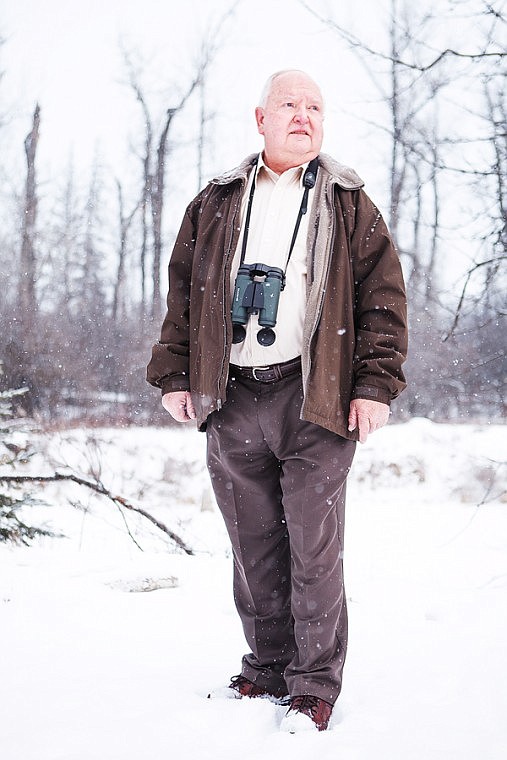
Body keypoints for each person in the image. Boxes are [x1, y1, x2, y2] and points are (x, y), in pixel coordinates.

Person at [147, 70, 408, 733]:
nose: (303, 115)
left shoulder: (349, 203)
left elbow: (382, 304)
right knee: (254, 547)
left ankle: (313, 685)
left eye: (315, 106)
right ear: (259, 117)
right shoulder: (215, 201)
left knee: (312, 551)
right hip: (231, 396)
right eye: (289, 104)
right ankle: (266, 667)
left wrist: (373, 387)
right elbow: (182, 295)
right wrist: (175, 374)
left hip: (314, 397)